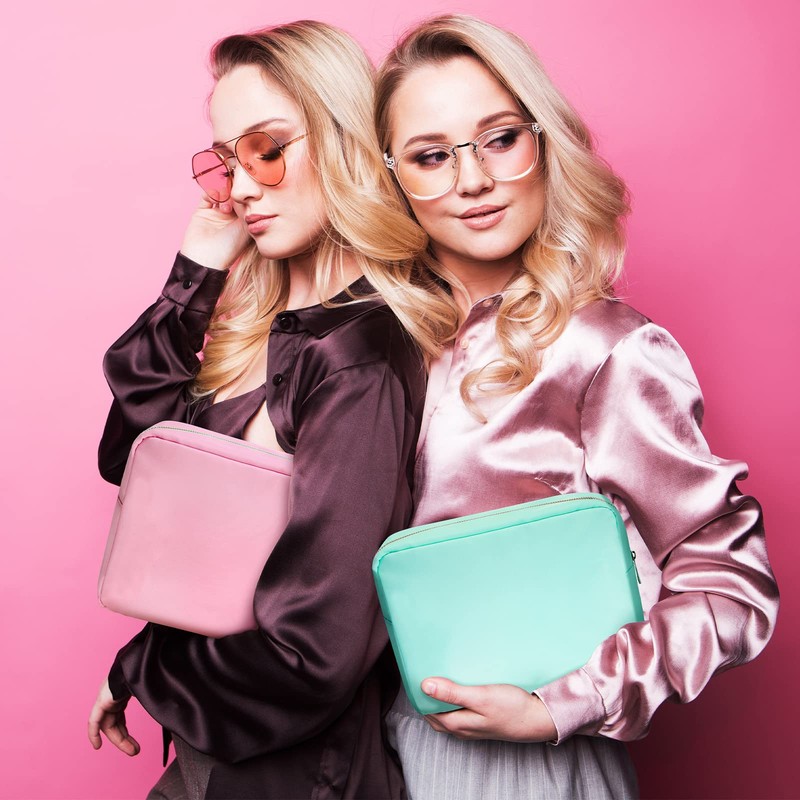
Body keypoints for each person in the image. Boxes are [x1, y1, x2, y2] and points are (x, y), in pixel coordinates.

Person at [374, 14, 779, 800]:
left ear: (543, 141)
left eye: (499, 139)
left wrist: (564, 703)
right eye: (431, 156)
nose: (472, 180)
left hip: (520, 768)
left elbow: (732, 585)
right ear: (393, 178)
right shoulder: (375, 345)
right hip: (372, 751)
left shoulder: (604, 348)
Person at [87, 20, 451, 800]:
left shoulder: (358, 354)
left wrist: (146, 665)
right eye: (226, 161)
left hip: (294, 775)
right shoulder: (263, 325)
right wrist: (193, 278)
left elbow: (315, 654)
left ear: (343, 138)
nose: (241, 186)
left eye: (266, 149)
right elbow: (128, 459)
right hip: (213, 754)